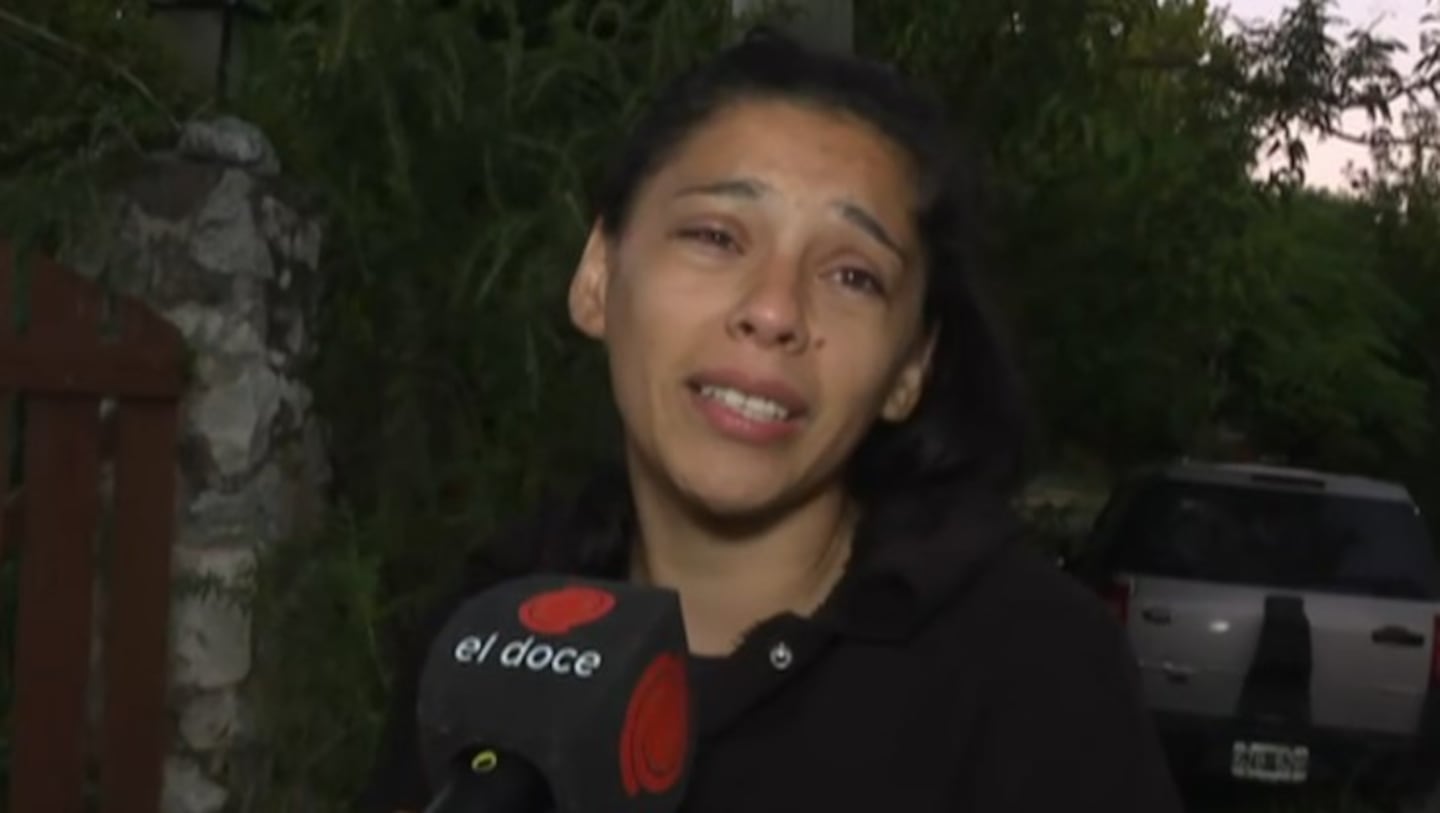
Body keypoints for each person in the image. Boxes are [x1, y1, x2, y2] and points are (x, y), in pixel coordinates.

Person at [359, 28, 1183, 813]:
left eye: (853, 275)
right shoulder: (490, 628)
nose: (775, 309)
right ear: (598, 277)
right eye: (717, 235)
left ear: (910, 370)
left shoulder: (1035, 672)